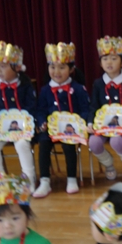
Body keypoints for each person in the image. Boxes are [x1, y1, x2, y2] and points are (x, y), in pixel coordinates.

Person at [33, 42, 90, 197]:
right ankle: (45, 181)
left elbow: (85, 108)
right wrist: (42, 122)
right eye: (52, 67)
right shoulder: (45, 90)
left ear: (71, 69)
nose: (56, 71)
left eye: (62, 67)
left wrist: (81, 122)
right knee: (44, 144)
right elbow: (40, 109)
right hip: (51, 129)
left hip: (71, 130)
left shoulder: (78, 89)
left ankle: (71, 178)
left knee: (68, 145)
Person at [0, 42, 38, 191]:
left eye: (3, 66)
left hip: (23, 130)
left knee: (21, 144)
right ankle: (0, 178)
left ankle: (29, 179)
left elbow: (32, 106)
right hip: (2, 130)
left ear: (17, 67)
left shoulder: (26, 85)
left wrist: (26, 124)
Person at [88, 36, 122, 181]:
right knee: (94, 142)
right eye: (105, 59)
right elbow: (94, 105)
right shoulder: (98, 84)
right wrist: (90, 123)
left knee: (116, 141)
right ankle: (108, 164)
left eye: (114, 58)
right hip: (103, 126)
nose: (109, 62)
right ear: (100, 63)